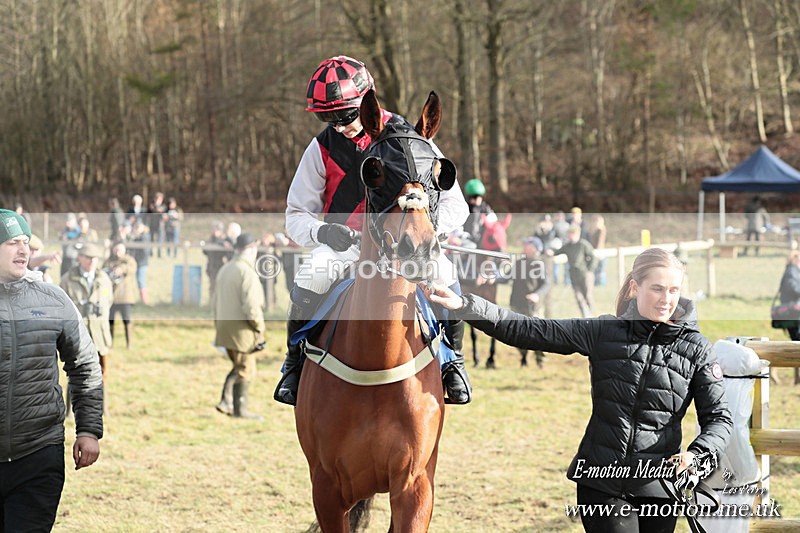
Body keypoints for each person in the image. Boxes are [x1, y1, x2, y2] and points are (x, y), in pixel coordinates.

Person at [426, 247, 733, 533]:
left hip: (659, 489)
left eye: (674, 290)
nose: (666, 299)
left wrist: (697, 454)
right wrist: (467, 305)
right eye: (657, 288)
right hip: (601, 482)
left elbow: (720, 418)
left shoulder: (697, 349)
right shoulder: (603, 332)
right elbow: (530, 330)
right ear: (635, 288)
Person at [275, 55, 471, 406]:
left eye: (346, 115)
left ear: (367, 102)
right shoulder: (321, 149)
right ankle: (293, 363)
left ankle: (453, 362)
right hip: (347, 246)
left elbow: (457, 206)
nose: (339, 125)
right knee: (312, 273)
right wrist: (323, 234)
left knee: (444, 271)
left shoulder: (413, 138)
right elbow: (296, 215)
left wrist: (421, 232)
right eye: (327, 117)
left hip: (405, 246)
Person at [0, 208, 103, 531]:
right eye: (11, 242)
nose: (23, 250)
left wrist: (88, 430)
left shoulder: (53, 299)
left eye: (25, 242)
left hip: (38, 454)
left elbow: (85, 365)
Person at [213, 233, 266, 419]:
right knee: (245, 369)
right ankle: (232, 405)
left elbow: (215, 301)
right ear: (251, 249)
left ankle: (233, 407)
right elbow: (252, 307)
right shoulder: (246, 272)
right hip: (242, 331)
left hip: (224, 328)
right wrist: (260, 328)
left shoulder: (225, 268)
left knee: (239, 365)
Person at [61, 243, 114, 379]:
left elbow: (109, 301)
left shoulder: (103, 278)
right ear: (79, 258)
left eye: (95, 258)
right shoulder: (67, 280)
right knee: (77, 377)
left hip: (99, 335)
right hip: (78, 338)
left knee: (101, 377)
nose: (92, 261)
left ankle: (100, 401)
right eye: (88, 257)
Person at [507, 236, 550, 367]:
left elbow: (546, 284)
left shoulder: (539, 264)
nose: (524, 247)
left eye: (527, 245)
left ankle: (540, 359)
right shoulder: (519, 262)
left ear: (534, 248)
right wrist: (491, 277)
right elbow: (506, 277)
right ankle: (524, 357)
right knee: (517, 334)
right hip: (517, 303)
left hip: (533, 305)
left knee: (537, 334)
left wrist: (537, 295)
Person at [549, 225, 597, 318]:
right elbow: (558, 251)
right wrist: (550, 252)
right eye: (569, 234)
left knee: (587, 296)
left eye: (572, 234)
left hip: (585, 274)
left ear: (578, 234)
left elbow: (592, 257)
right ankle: (585, 316)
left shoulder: (583, 244)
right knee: (579, 297)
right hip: (574, 275)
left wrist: (589, 270)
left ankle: (592, 316)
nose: (571, 236)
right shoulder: (567, 246)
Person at [103, 241, 138, 350]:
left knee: (126, 320)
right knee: (110, 321)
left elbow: (132, 268)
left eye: (120, 250)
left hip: (125, 297)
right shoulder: (109, 261)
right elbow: (103, 270)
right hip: (111, 297)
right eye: (116, 249)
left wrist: (121, 269)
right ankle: (110, 343)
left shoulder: (128, 260)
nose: (117, 252)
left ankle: (129, 343)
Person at [776, 250, 800, 385]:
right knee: (796, 346)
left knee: (796, 344)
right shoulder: (792, 271)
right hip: (793, 314)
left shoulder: (791, 271)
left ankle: (797, 378)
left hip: (793, 313)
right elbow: (794, 288)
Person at [203, 221, 231, 300]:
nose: (214, 231)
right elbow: (205, 251)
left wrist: (222, 243)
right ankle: (212, 304)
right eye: (213, 229)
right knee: (212, 287)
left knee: (220, 288)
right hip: (211, 267)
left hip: (220, 267)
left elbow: (228, 253)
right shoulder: (211, 240)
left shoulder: (224, 240)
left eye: (216, 229)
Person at [462, 178, 495, 244]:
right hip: (467, 238)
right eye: (473, 197)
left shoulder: (485, 207)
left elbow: (493, 220)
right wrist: (463, 234)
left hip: (482, 238)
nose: (476, 199)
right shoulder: (465, 207)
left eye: (478, 196)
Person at [129, 220, 150, 304]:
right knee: (139, 280)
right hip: (137, 262)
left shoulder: (144, 237)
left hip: (142, 263)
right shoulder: (136, 238)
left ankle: (145, 300)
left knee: (141, 280)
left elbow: (144, 251)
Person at [585, 214, 607, 286]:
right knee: (595, 269)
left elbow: (600, 241)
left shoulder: (601, 230)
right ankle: (595, 283)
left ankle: (601, 283)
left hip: (600, 252)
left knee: (601, 269)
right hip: (593, 251)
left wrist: (598, 251)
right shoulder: (591, 231)